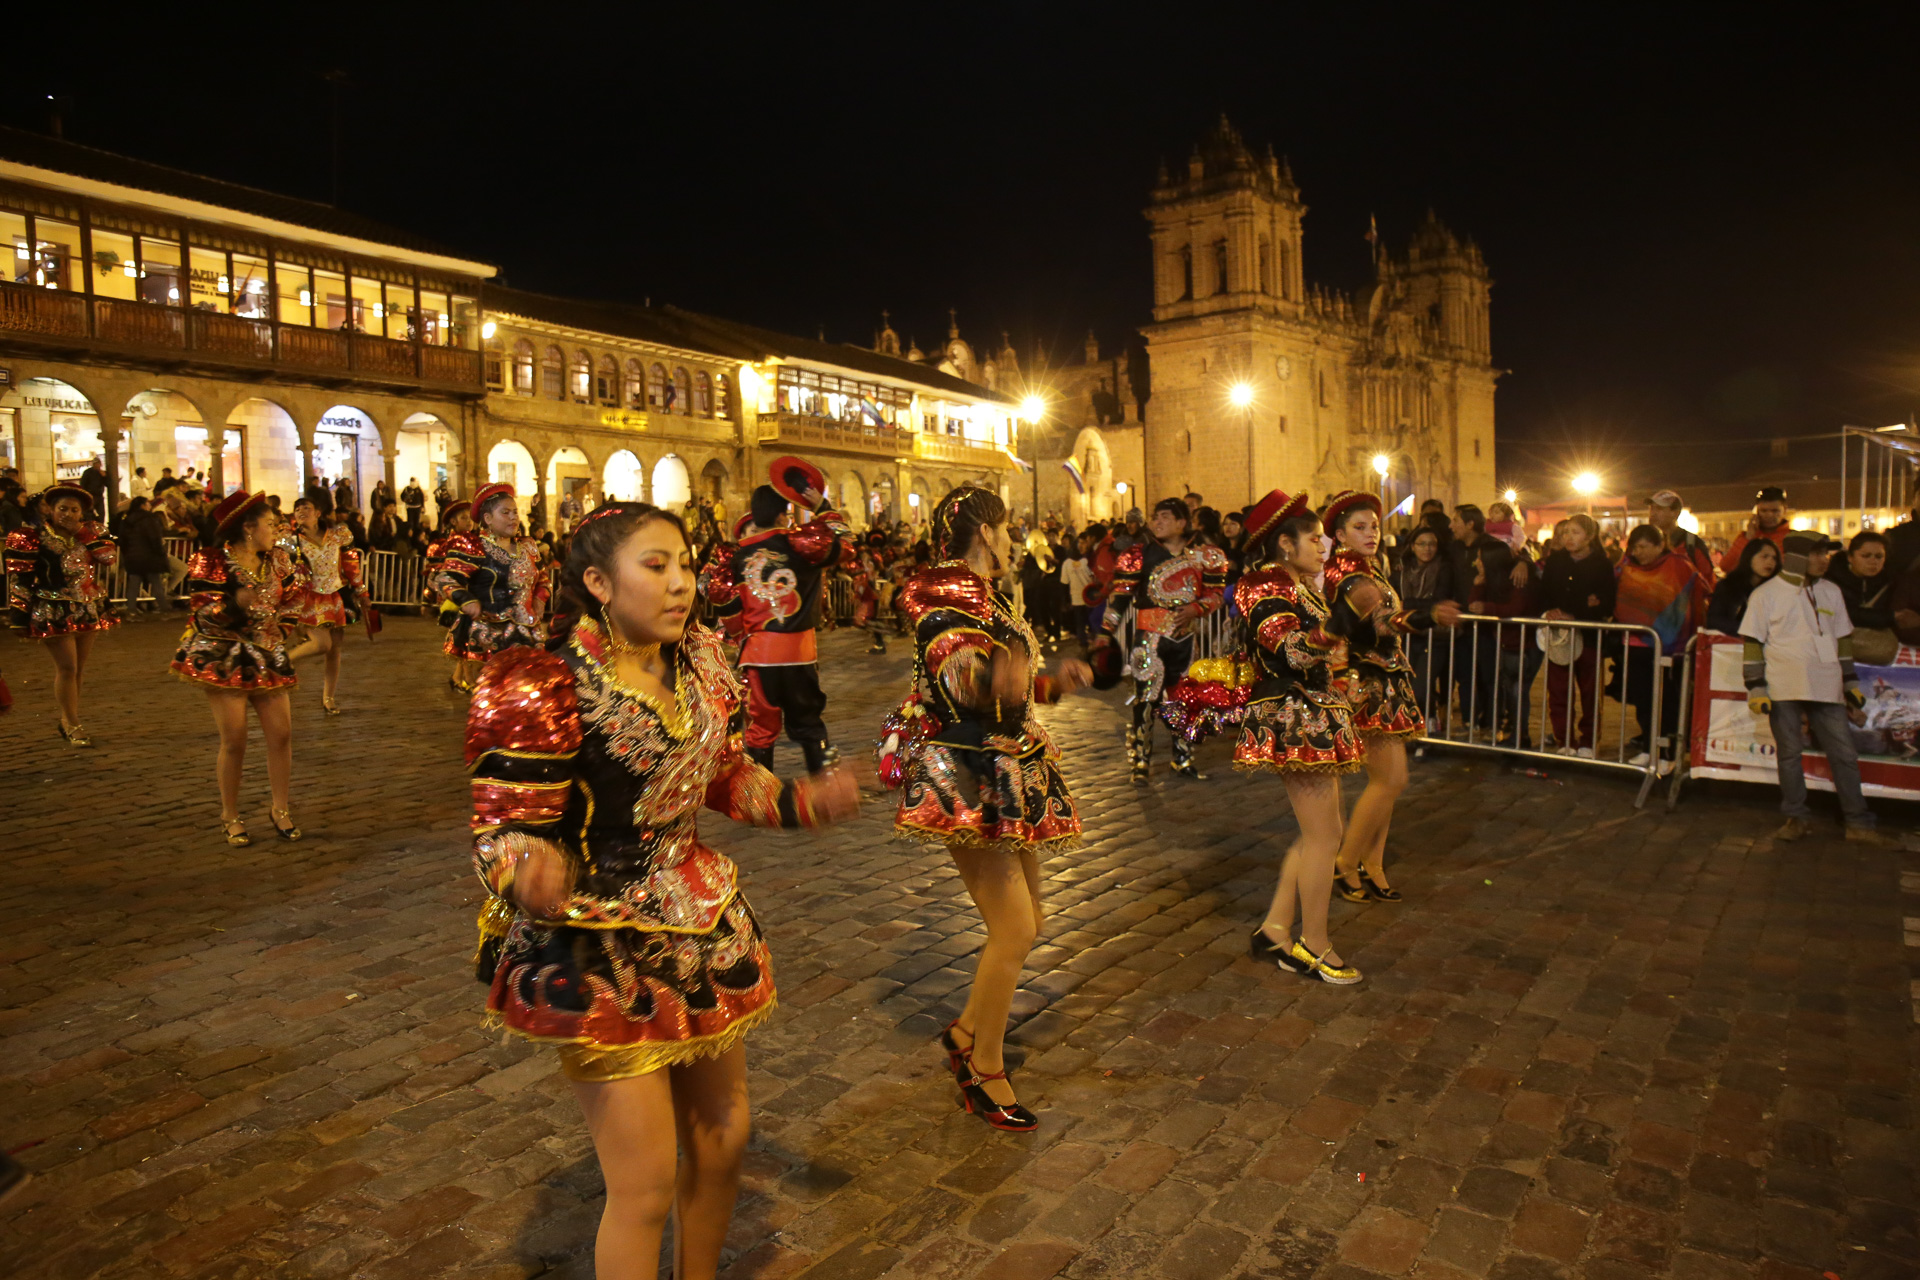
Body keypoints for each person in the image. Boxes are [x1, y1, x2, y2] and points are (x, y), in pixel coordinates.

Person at [465, 501, 860, 1279]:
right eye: (655, 567)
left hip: (699, 916)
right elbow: (504, 826)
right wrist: (524, 873)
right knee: (643, 1184)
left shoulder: (706, 663)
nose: (681, 584)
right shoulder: (544, 684)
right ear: (597, 584)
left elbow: (722, 777)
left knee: (723, 1139)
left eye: (684, 564)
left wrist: (799, 802)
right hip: (596, 939)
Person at [891, 486, 1091, 1130]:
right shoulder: (942, 593)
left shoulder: (991, 594)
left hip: (1004, 768)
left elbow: (1008, 686)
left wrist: (1051, 682)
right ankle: (984, 1067)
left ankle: (968, 1032)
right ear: (983, 529)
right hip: (966, 775)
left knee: (1029, 918)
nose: (1014, 539)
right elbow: (960, 677)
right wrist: (992, 679)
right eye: (1007, 528)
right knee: (1014, 929)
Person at [1235, 489, 1366, 985]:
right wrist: (1340, 625)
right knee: (1323, 835)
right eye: (1314, 538)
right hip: (1293, 718)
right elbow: (1291, 650)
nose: (1323, 545)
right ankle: (1312, 945)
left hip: (1312, 711)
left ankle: (1276, 930)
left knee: (1326, 832)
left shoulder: (1298, 585)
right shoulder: (1263, 584)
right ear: (1284, 544)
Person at [1322, 491, 1460, 904]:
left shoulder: (1372, 568)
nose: (1371, 534)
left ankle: (1373, 862)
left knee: (1388, 783)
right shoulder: (1347, 575)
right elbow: (1384, 621)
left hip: (1387, 680)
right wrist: (1429, 616)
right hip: (1367, 684)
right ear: (1340, 534)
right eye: (1360, 527)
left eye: (1375, 526)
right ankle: (1346, 862)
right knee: (1391, 779)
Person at [1740, 534, 1897, 845]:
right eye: (1817, 553)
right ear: (1798, 557)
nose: (1825, 559)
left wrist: (1850, 681)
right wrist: (1756, 687)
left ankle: (1858, 822)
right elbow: (1753, 642)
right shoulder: (1765, 594)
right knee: (1789, 755)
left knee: (1844, 754)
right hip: (1784, 686)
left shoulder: (1831, 591)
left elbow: (1843, 640)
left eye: (1826, 553)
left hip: (1827, 686)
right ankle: (1796, 818)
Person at [170, 491, 304, 845]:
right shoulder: (211, 561)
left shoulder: (279, 561)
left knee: (281, 734)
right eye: (270, 524)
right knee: (235, 738)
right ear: (248, 527)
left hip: (268, 654)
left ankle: (281, 808)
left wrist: (284, 628)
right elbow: (199, 610)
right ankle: (230, 814)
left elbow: (294, 599)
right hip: (223, 656)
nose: (276, 530)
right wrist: (232, 604)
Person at [706, 460, 850, 771]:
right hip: (800, 652)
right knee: (809, 721)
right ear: (783, 514)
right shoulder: (802, 545)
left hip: (759, 655)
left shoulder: (738, 556)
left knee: (761, 728)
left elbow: (727, 605)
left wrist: (740, 636)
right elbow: (846, 544)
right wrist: (823, 507)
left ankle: (762, 793)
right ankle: (822, 782)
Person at [1093, 497, 1230, 782]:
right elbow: (1120, 598)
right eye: (1155, 517)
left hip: (1185, 639)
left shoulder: (1205, 556)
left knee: (1183, 699)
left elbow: (1215, 594)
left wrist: (1196, 608)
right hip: (1149, 638)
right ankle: (1141, 761)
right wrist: (1105, 633)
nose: (1157, 522)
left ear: (1182, 522)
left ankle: (1182, 758)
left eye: (1165, 517)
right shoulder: (1139, 554)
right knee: (1145, 699)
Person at [4, 483, 119, 744]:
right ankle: (73, 723)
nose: (67, 513)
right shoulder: (33, 537)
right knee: (67, 667)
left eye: (74, 509)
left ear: (82, 513)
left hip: (87, 606)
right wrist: (18, 615)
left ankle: (68, 718)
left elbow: (108, 558)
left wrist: (80, 532)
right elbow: (20, 580)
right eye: (62, 508)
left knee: (78, 669)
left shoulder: (91, 533)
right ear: (50, 510)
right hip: (52, 608)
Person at [442, 483, 550, 692]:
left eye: (515, 512)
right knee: (494, 698)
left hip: (527, 633)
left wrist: (540, 598)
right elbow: (446, 579)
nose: (513, 517)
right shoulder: (474, 547)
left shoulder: (527, 546)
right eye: (506, 512)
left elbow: (543, 577)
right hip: (489, 636)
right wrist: (467, 601)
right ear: (488, 519)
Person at [1612, 524, 1702, 763]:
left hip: (1668, 646)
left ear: (1660, 545)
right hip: (1634, 644)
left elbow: (1689, 602)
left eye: (1643, 547)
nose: (1638, 552)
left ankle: (1668, 751)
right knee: (1643, 699)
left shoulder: (1679, 566)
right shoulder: (1626, 567)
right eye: (1635, 547)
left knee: (1667, 700)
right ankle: (1649, 747)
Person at [1539, 512, 1616, 757]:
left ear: (1589, 536)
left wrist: (1580, 613)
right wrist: (1551, 610)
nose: (1568, 537)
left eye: (1575, 532)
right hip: (1560, 636)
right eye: (1565, 532)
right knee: (1559, 690)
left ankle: (1589, 741)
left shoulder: (1601, 563)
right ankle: (1564, 740)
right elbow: (1547, 593)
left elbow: (1605, 602)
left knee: (1590, 692)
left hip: (1590, 636)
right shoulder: (1556, 561)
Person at [283, 493, 366, 715]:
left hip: (335, 595)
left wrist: (360, 589)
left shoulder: (337, 535)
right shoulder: (291, 541)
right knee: (322, 644)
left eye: (306, 508)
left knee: (335, 649)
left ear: (318, 513)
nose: (301, 512)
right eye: (297, 509)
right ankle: (283, 660)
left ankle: (329, 697)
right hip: (309, 598)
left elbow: (350, 563)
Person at [1468, 537, 1545, 747]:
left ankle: (1520, 737)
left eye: (1480, 559)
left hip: (1524, 645)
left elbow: (1515, 609)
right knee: (1511, 691)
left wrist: (1488, 608)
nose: (1477, 563)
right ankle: (1517, 736)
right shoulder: (1493, 581)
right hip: (1507, 643)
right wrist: (1478, 584)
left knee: (1518, 692)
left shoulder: (1519, 578)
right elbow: (1474, 606)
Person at [1395, 523, 1456, 722]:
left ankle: (1427, 728)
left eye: (1432, 544)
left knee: (1422, 686)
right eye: (1422, 544)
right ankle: (1420, 728)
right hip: (1407, 635)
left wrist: (1407, 604)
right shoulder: (1402, 570)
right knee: (1406, 686)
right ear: (1412, 546)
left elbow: (1439, 600)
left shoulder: (1443, 569)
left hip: (1434, 636)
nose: (1427, 549)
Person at [1825, 530, 1897, 664]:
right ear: (1850, 557)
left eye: (1879, 556)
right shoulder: (1830, 581)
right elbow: (1841, 613)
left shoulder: (1890, 582)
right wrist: (1889, 617)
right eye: (1866, 556)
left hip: (1873, 653)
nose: (1873, 561)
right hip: (1833, 654)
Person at [1706, 539, 1780, 635]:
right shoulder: (1729, 586)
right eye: (1764, 556)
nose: (1770, 561)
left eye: (1774, 558)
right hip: (1732, 644)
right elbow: (1714, 621)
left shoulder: (1775, 590)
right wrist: (1748, 630)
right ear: (1750, 557)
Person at [1719, 485, 1791, 573]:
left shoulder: (1793, 539)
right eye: (1764, 511)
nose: (1769, 515)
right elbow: (1726, 566)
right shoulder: (1746, 538)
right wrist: (1748, 538)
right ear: (1756, 511)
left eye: (1775, 511)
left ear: (1785, 510)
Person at [1647, 490, 1714, 583]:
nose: (1653, 513)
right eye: (1651, 508)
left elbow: (1707, 581)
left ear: (1675, 513)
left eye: (1659, 508)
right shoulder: (1642, 541)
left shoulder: (1692, 543)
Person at [119, 496, 171, 614]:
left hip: (133, 557)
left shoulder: (127, 520)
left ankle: (131, 609)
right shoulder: (150, 519)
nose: (149, 505)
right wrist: (161, 553)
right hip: (149, 556)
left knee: (134, 584)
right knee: (156, 583)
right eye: (148, 503)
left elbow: (122, 540)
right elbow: (155, 538)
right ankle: (165, 609)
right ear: (142, 505)